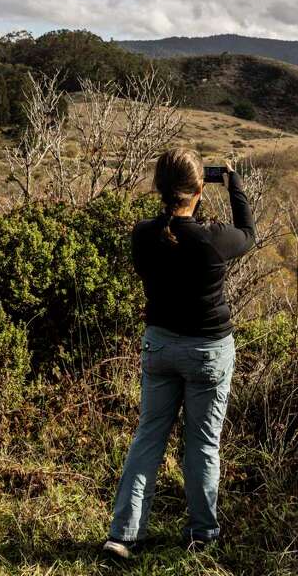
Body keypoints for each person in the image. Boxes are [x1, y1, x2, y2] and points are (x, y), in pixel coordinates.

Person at [102, 148, 256, 560]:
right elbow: (249, 232)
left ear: (159, 188)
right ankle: (201, 533)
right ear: (199, 189)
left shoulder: (142, 234)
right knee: (202, 445)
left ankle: (123, 535)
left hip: (160, 346)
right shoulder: (212, 238)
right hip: (207, 350)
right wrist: (233, 181)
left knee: (148, 438)